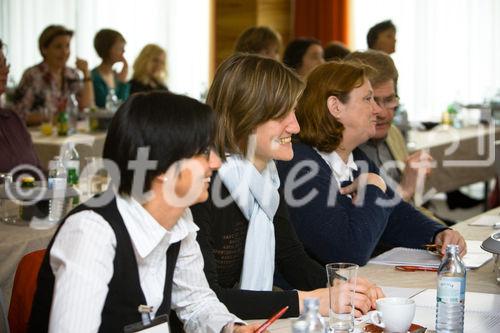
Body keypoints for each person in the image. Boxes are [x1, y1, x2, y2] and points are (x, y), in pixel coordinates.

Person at [28, 92, 260, 333]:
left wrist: (231, 328)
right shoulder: (91, 233)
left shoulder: (180, 218)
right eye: (204, 152)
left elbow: (197, 302)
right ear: (161, 166)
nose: (216, 163)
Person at [191, 54, 384, 320]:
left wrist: (344, 285)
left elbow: (291, 257)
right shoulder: (202, 185)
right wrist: (309, 301)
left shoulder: (265, 177)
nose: (295, 125)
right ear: (245, 117)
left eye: (293, 111)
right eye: (282, 115)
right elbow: (206, 299)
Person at [275, 61, 467, 267]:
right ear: (335, 107)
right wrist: (373, 186)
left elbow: (393, 213)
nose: (377, 110)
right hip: (307, 294)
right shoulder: (301, 166)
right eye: (368, 99)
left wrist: (437, 233)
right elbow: (348, 252)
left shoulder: (355, 158)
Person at [14, 25, 93, 126]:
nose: (64, 52)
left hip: (67, 134)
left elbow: (86, 107)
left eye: (67, 46)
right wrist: (49, 117)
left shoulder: (72, 74)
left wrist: (86, 73)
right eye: (58, 47)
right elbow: (18, 115)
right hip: (39, 137)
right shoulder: (32, 75)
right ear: (44, 49)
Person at [0, 38, 42, 174]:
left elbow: (37, 170)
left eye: (5, 64)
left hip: (31, 193)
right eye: (0, 66)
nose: (6, 71)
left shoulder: (12, 119)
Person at [91, 29, 130, 108]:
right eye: (120, 48)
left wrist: (123, 82)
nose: (123, 51)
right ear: (107, 49)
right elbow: (103, 103)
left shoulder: (116, 75)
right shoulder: (94, 76)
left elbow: (124, 103)